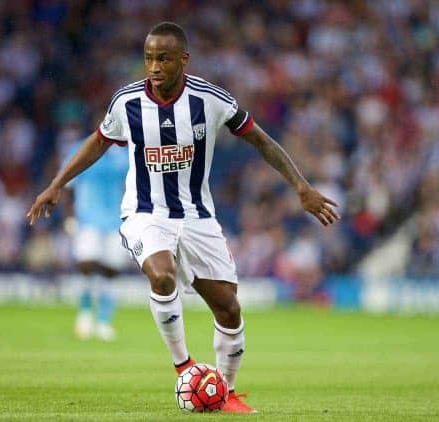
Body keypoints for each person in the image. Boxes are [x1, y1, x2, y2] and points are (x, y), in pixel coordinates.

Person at [27, 22, 339, 413]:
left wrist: (301, 187)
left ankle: (224, 392)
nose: (154, 66)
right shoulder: (126, 103)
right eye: (148, 58)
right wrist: (57, 184)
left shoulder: (210, 100)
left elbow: (261, 140)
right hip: (145, 212)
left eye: (163, 58)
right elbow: (97, 142)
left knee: (228, 308)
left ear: (183, 60)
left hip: (196, 215)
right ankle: (184, 365)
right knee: (161, 274)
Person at [62, 138, 129, 341]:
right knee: (87, 264)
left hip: (116, 221)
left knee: (111, 270)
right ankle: (84, 314)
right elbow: (67, 184)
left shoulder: (125, 155)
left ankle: (103, 322)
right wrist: (69, 216)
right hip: (87, 220)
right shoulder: (80, 148)